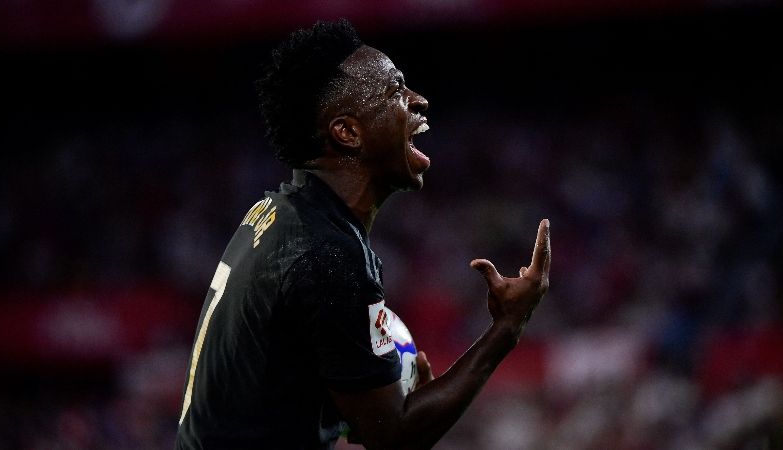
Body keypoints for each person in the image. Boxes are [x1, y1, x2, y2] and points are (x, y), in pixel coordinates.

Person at [174, 18, 551, 450]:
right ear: (347, 132)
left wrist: (352, 407)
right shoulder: (327, 254)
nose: (418, 101)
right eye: (395, 90)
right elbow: (394, 437)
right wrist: (508, 326)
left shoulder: (277, 214)